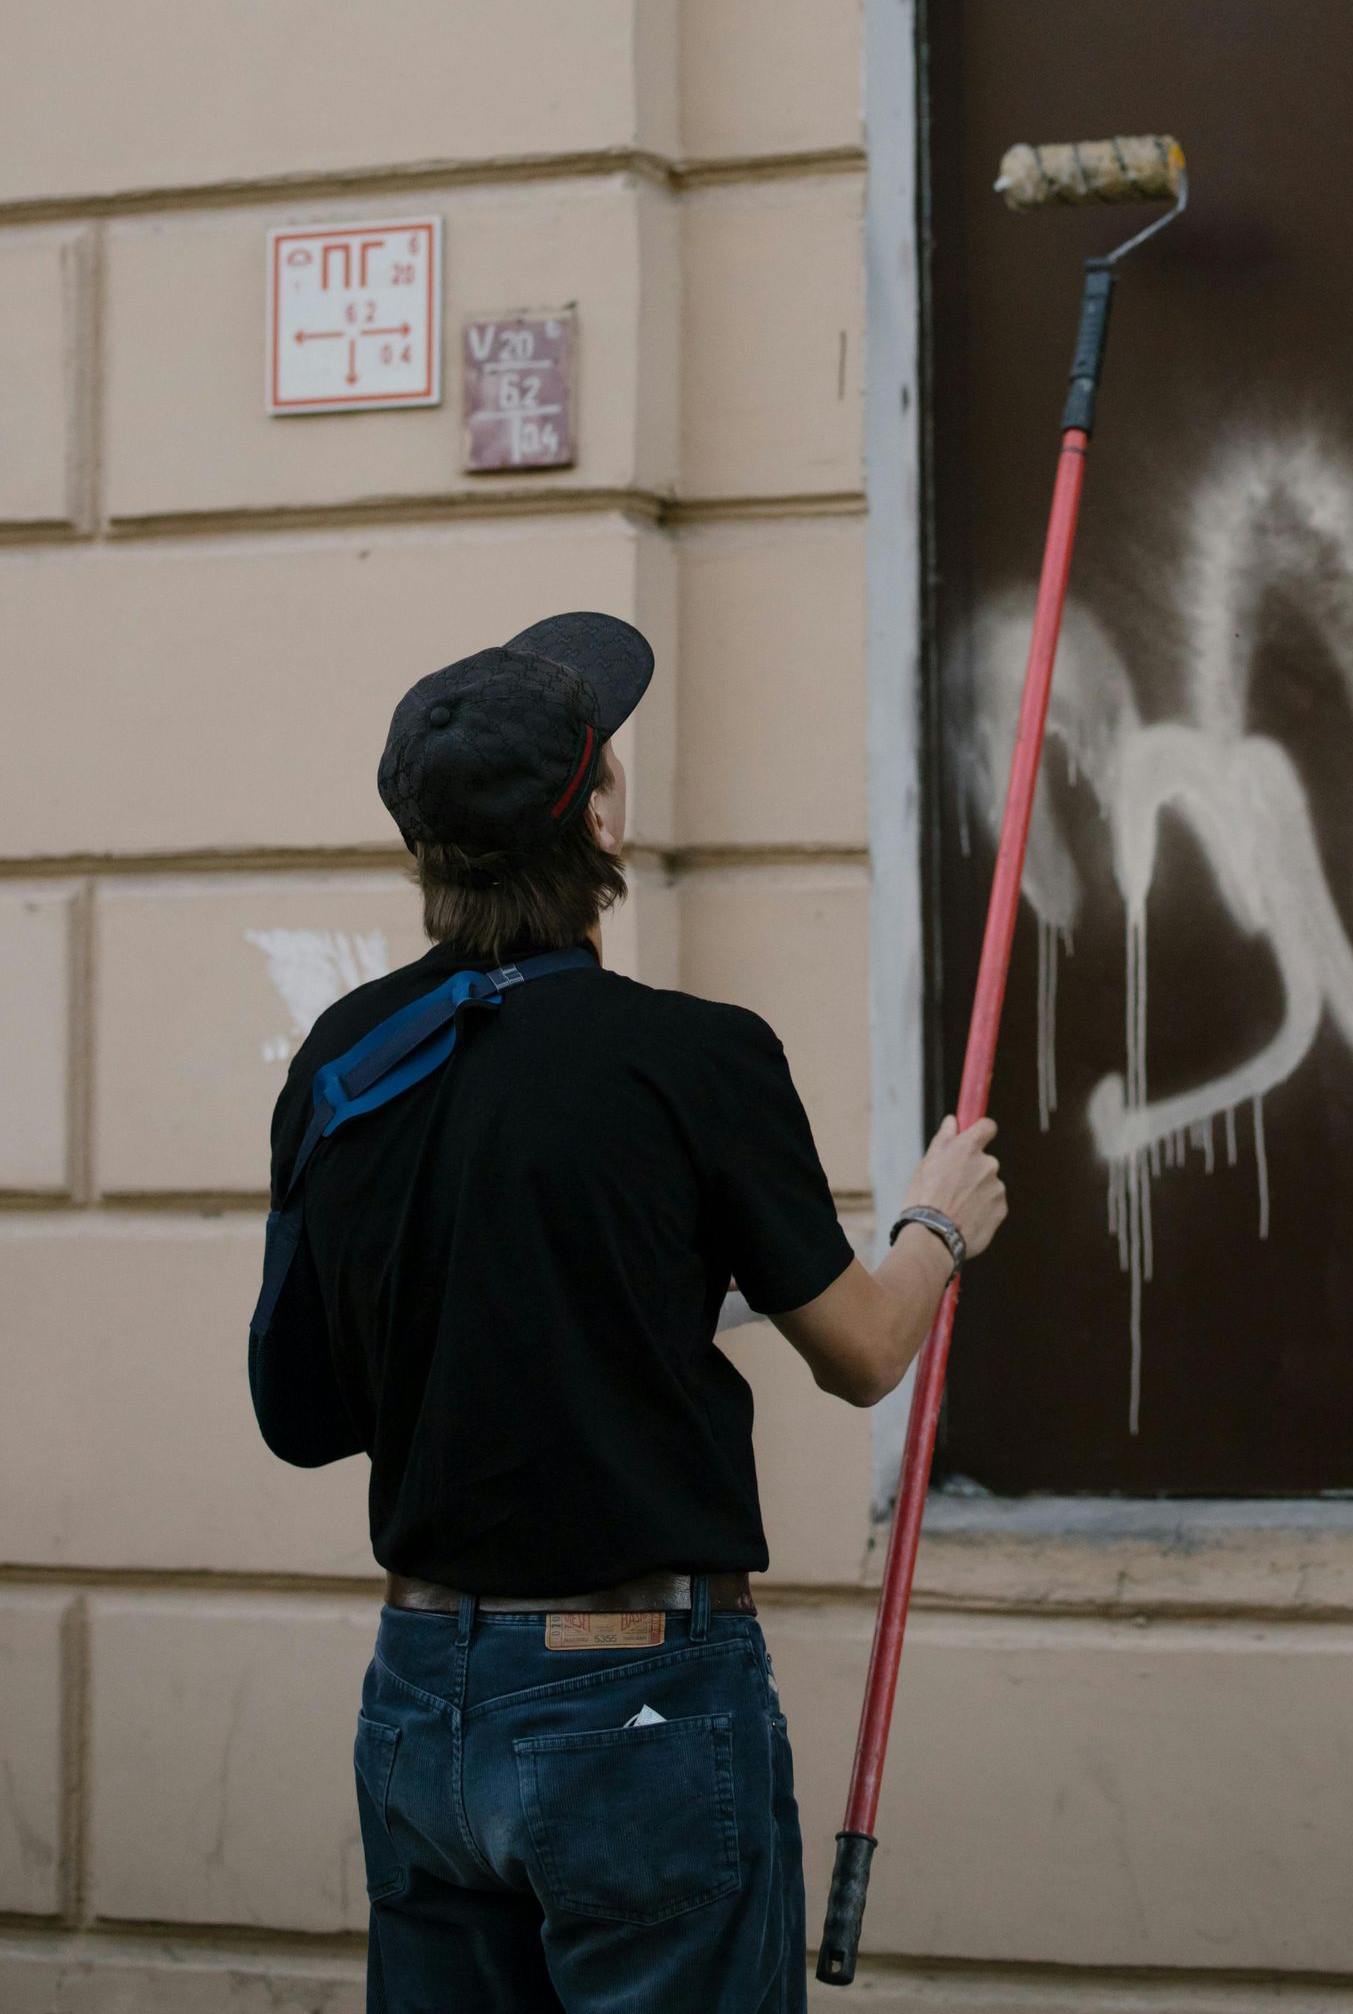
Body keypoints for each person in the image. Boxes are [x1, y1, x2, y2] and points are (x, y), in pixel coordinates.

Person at [256, 610, 1007, 2013]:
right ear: (597, 816)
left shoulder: (344, 1063)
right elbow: (862, 1350)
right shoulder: (694, 1061)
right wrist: (937, 1227)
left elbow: (307, 1401)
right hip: (635, 1704)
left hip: (424, 1691)